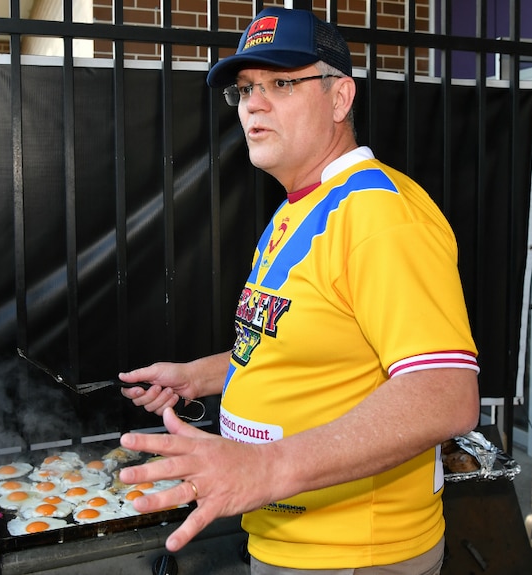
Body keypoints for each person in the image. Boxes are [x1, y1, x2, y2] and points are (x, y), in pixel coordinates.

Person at [117, 7, 480, 574]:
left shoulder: (380, 215)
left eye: (281, 83)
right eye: (244, 89)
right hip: (288, 541)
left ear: (340, 99)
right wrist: (199, 376)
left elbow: (445, 394)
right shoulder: (303, 203)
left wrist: (265, 469)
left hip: (353, 556)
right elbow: (294, 344)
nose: (254, 104)